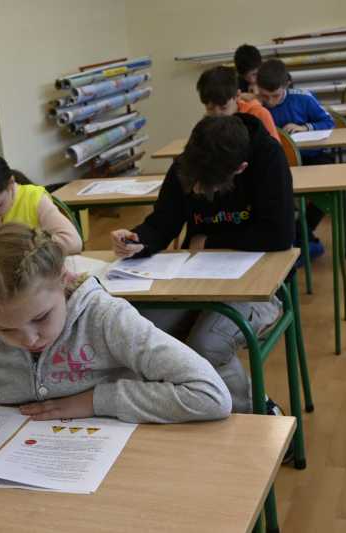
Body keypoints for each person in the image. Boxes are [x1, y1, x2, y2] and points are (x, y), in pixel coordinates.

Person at [0, 223, 232, 436]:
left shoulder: (105, 318)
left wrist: (94, 401)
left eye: (41, 317)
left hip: (115, 454)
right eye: (5, 329)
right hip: (20, 458)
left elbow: (210, 395)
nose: (29, 339)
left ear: (64, 279)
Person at [110, 115, 293, 415]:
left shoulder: (268, 158)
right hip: (195, 276)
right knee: (137, 331)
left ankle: (259, 412)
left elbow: (279, 234)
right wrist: (138, 239)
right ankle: (189, 407)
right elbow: (163, 222)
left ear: (240, 169)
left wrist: (209, 240)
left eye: (205, 185)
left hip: (262, 283)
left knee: (208, 344)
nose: (194, 190)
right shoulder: (192, 160)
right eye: (191, 181)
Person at [258, 58, 335, 258]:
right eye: (265, 96)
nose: (271, 102)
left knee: (327, 189)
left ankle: (301, 236)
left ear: (287, 85)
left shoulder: (303, 98)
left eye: (275, 95)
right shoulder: (257, 106)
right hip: (279, 163)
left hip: (313, 156)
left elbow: (328, 122)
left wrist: (305, 127)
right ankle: (304, 241)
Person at [197, 65, 280, 141]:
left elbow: (276, 150)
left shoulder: (259, 114)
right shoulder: (206, 123)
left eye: (223, 108)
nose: (217, 115)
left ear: (237, 96)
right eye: (210, 108)